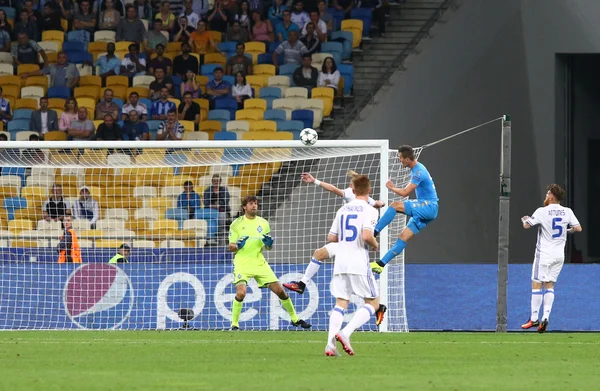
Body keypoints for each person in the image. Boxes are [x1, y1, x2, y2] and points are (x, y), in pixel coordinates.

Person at [283, 171, 385, 311]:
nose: (349, 187)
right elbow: (377, 204)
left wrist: (315, 181)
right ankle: (302, 284)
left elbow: (333, 189)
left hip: (350, 244)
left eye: (351, 185)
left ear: (354, 188)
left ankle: (377, 307)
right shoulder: (366, 200)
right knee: (319, 254)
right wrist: (382, 202)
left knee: (355, 286)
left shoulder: (351, 194)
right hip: (345, 243)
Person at [228, 195, 311, 330]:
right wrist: (238, 245)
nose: (254, 206)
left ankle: (295, 319)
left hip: (259, 262)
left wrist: (269, 244)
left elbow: (267, 247)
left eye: (256, 203)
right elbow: (231, 247)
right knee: (241, 293)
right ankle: (234, 324)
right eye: (251, 204)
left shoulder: (263, 223)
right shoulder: (236, 224)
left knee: (281, 291)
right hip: (242, 262)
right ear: (244, 207)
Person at [324, 174, 379, 356]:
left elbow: (332, 238)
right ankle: (345, 333)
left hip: (340, 261)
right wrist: (375, 245)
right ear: (369, 190)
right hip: (358, 261)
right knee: (373, 302)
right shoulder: (370, 210)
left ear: (352, 190)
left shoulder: (342, 209)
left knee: (341, 302)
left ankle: (330, 345)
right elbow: (366, 235)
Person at [520, 184, 582, 333]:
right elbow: (578, 228)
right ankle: (546, 317)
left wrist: (525, 219)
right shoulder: (567, 211)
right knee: (549, 286)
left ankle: (534, 319)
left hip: (544, 254)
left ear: (552, 196)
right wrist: (567, 230)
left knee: (536, 284)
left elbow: (527, 226)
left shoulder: (542, 211)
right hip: (559, 255)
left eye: (548, 193)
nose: (546, 195)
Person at [370, 145, 439, 273]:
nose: (399, 160)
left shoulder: (419, 172)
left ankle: (374, 232)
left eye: (400, 158)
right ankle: (380, 264)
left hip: (429, 206)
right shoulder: (416, 169)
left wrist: (391, 187)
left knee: (395, 206)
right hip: (427, 208)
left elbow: (405, 193)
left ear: (407, 159)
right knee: (403, 237)